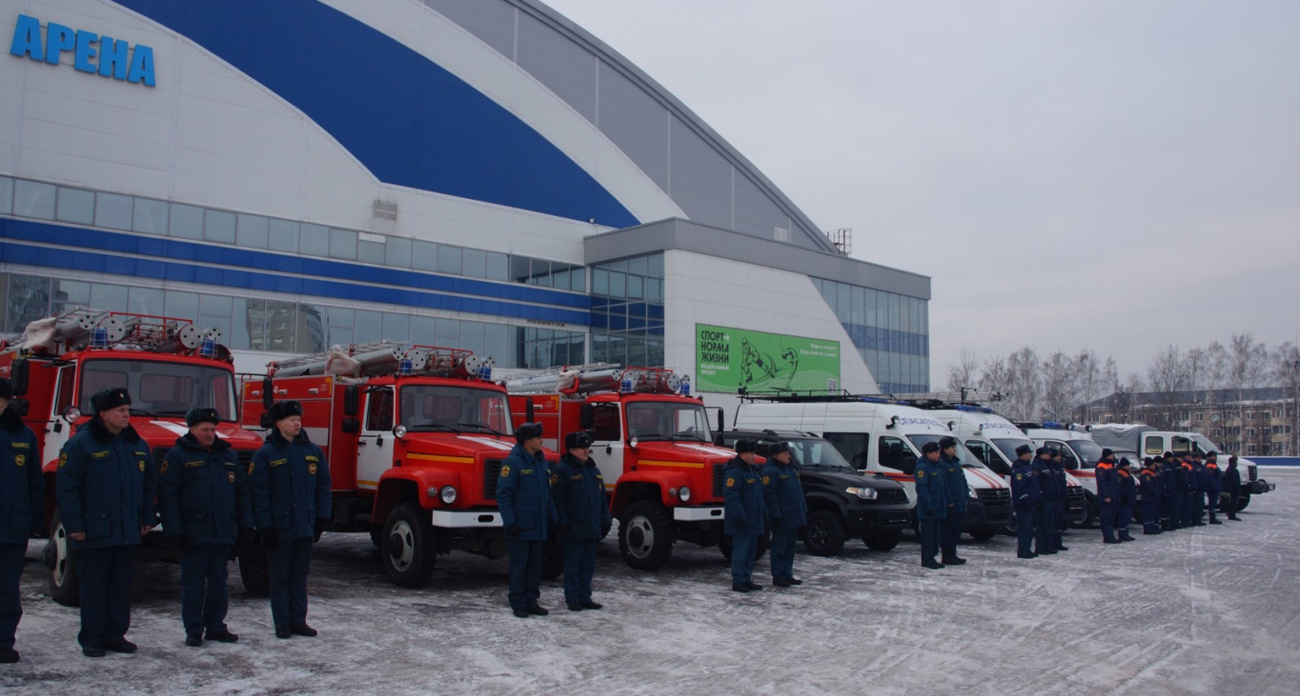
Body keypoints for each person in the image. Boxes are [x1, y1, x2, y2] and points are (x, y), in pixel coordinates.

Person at [56, 386, 157, 658]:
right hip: (94, 530)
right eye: (121, 411)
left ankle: (115, 635)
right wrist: (74, 525)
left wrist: (147, 517)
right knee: (94, 587)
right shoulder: (80, 444)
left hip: (126, 529)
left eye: (127, 410)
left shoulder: (135, 444)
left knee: (120, 586)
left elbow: (148, 484)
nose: (127, 415)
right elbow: (67, 488)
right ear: (103, 414)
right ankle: (92, 637)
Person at [158, 407, 253, 646]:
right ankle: (193, 629)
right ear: (192, 430)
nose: (210, 434)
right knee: (193, 584)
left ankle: (216, 626)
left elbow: (242, 493)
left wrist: (245, 526)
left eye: (212, 429)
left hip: (222, 531)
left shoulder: (228, 457)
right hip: (194, 533)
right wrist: (175, 531)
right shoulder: (177, 457)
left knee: (219, 583)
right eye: (204, 430)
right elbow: (168, 497)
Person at [250, 400, 331, 638]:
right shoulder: (266, 454)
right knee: (279, 577)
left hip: (304, 525)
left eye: (298, 419)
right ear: (279, 424)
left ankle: (298, 621)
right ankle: (282, 623)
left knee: (299, 575)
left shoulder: (313, 452)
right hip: (279, 526)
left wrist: (321, 519)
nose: (297, 423)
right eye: (292, 420)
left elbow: (323, 486)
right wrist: (265, 526)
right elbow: (259, 493)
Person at [0, 378, 41, 664]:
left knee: (7, 589)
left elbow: (34, 482)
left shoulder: (23, 435)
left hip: (11, 527)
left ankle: (3, 641)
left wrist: (35, 520)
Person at [497, 422, 556, 616]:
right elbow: (504, 494)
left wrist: (552, 518)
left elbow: (547, 493)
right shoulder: (512, 463)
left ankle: (531, 600)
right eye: (538, 437)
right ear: (527, 441)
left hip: (538, 525)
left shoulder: (541, 461)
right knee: (519, 567)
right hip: (521, 526)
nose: (541, 440)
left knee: (534, 567)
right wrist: (510, 521)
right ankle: (518, 602)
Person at [551, 431, 611, 612]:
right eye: (582, 448)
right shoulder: (561, 471)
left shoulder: (593, 470)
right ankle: (573, 598)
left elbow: (601, 499)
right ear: (571, 450)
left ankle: (585, 597)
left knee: (587, 566)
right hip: (573, 528)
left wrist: (605, 519)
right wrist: (561, 522)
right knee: (572, 566)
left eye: (587, 448)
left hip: (591, 528)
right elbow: (557, 500)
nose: (586, 451)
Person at [761, 441, 808, 587]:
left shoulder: (789, 469)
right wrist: (775, 515)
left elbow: (798, 492)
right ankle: (778, 575)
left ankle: (787, 573)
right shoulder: (771, 471)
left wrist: (803, 509)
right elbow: (769, 495)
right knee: (779, 547)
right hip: (782, 516)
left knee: (790, 548)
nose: (788, 455)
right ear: (776, 455)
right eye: (785, 453)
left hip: (793, 515)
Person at [722, 439, 766, 592]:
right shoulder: (734, 471)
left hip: (753, 519)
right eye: (750, 453)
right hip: (742, 520)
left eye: (753, 453)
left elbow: (758, 495)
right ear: (742, 454)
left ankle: (746, 578)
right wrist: (739, 516)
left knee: (750, 553)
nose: (753, 456)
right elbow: (731, 495)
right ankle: (738, 580)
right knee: (740, 552)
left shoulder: (751, 470)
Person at [914, 441, 948, 569]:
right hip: (929, 509)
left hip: (938, 508)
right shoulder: (922, 468)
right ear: (928, 454)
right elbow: (922, 488)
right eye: (935, 453)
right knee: (928, 536)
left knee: (935, 536)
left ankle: (932, 557)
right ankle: (927, 559)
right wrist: (928, 506)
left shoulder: (936, 467)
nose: (938, 455)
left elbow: (941, 488)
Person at [937, 436, 968, 566]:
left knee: (956, 531)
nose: (954, 450)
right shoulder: (942, 463)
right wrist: (949, 500)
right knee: (948, 531)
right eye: (951, 448)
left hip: (959, 503)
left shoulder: (955, 463)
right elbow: (944, 485)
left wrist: (966, 496)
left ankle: (953, 553)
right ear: (944, 449)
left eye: (954, 448)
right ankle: (946, 554)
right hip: (951, 504)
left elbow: (963, 482)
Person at [1009, 444, 1039, 559]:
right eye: (1028, 453)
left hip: (1031, 502)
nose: (1030, 455)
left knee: (1029, 528)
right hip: (1024, 504)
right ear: (1023, 455)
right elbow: (1019, 487)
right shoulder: (1019, 468)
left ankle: (1027, 548)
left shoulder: (1028, 467)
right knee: (1024, 528)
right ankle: (1023, 550)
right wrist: (1024, 499)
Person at [1031, 448, 1058, 556]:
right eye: (1047, 454)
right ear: (1042, 455)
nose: (1049, 456)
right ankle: (1041, 547)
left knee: (1049, 524)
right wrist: (1040, 496)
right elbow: (1037, 483)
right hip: (1044, 499)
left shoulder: (1048, 465)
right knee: (1042, 524)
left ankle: (1048, 545)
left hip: (1050, 498)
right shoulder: (1038, 466)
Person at [1095, 449, 1119, 544]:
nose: (1113, 456)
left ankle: (1111, 535)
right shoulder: (1102, 466)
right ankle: (1108, 537)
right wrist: (1106, 495)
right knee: (1106, 517)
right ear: (1107, 455)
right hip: (1107, 496)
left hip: (1113, 495)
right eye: (1112, 454)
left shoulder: (1111, 465)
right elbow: (1102, 482)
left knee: (1111, 516)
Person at [1047, 449, 1069, 551]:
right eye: (1057, 456)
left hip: (1060, 498)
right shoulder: (1051, 467)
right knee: (1052, 522)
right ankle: (1051, 544)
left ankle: (1058, 543)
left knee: (1059, 522)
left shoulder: (1059, 468)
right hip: (1054, 498)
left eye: (1059, 456)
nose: (1059, 458)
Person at [1139, 457, 1162, 535]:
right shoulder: (1146, 473)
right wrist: (1155, 493)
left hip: (1152, 496)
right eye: (1153, 464)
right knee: (1148, 512)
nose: (1154, 466)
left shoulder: (1151, 472)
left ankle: (1152, 527)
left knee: (1152, 512)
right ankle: (1148, 528)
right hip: (1148, 497)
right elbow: (1148, 485)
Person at [1115, 458, 1136, 542]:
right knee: (1123, 517)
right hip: (1124, 499)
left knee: (1127, 517)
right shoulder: (1120, 473)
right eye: (1128, 465)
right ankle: (1122, 534)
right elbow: (1120, 487)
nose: (1129, 467)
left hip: (1129, 498)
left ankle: (1126, 534)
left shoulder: (1127, 473)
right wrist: (1124, 496)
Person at [1204, 452, 1224, 524]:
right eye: (1213, 456)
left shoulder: (1213, 464)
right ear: (1209, 457)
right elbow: (1211, 477)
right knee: (1212, 503)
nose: (1215, 457)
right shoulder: (1210, 465)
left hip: (1215, 486)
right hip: (1212, 488)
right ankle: (1212, 518)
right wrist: (1214, 487)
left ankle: (1213, 517)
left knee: (1213, 503)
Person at [1223, 455, 1243, 521]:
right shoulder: (1232, 470)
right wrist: (1238, 489)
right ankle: (1232, 515)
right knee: (1233, 503)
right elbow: (1235, 481)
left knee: (1232, 502)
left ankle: (1231, 514)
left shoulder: (1230, 469)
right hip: (1233, 489)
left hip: (1231, 489)